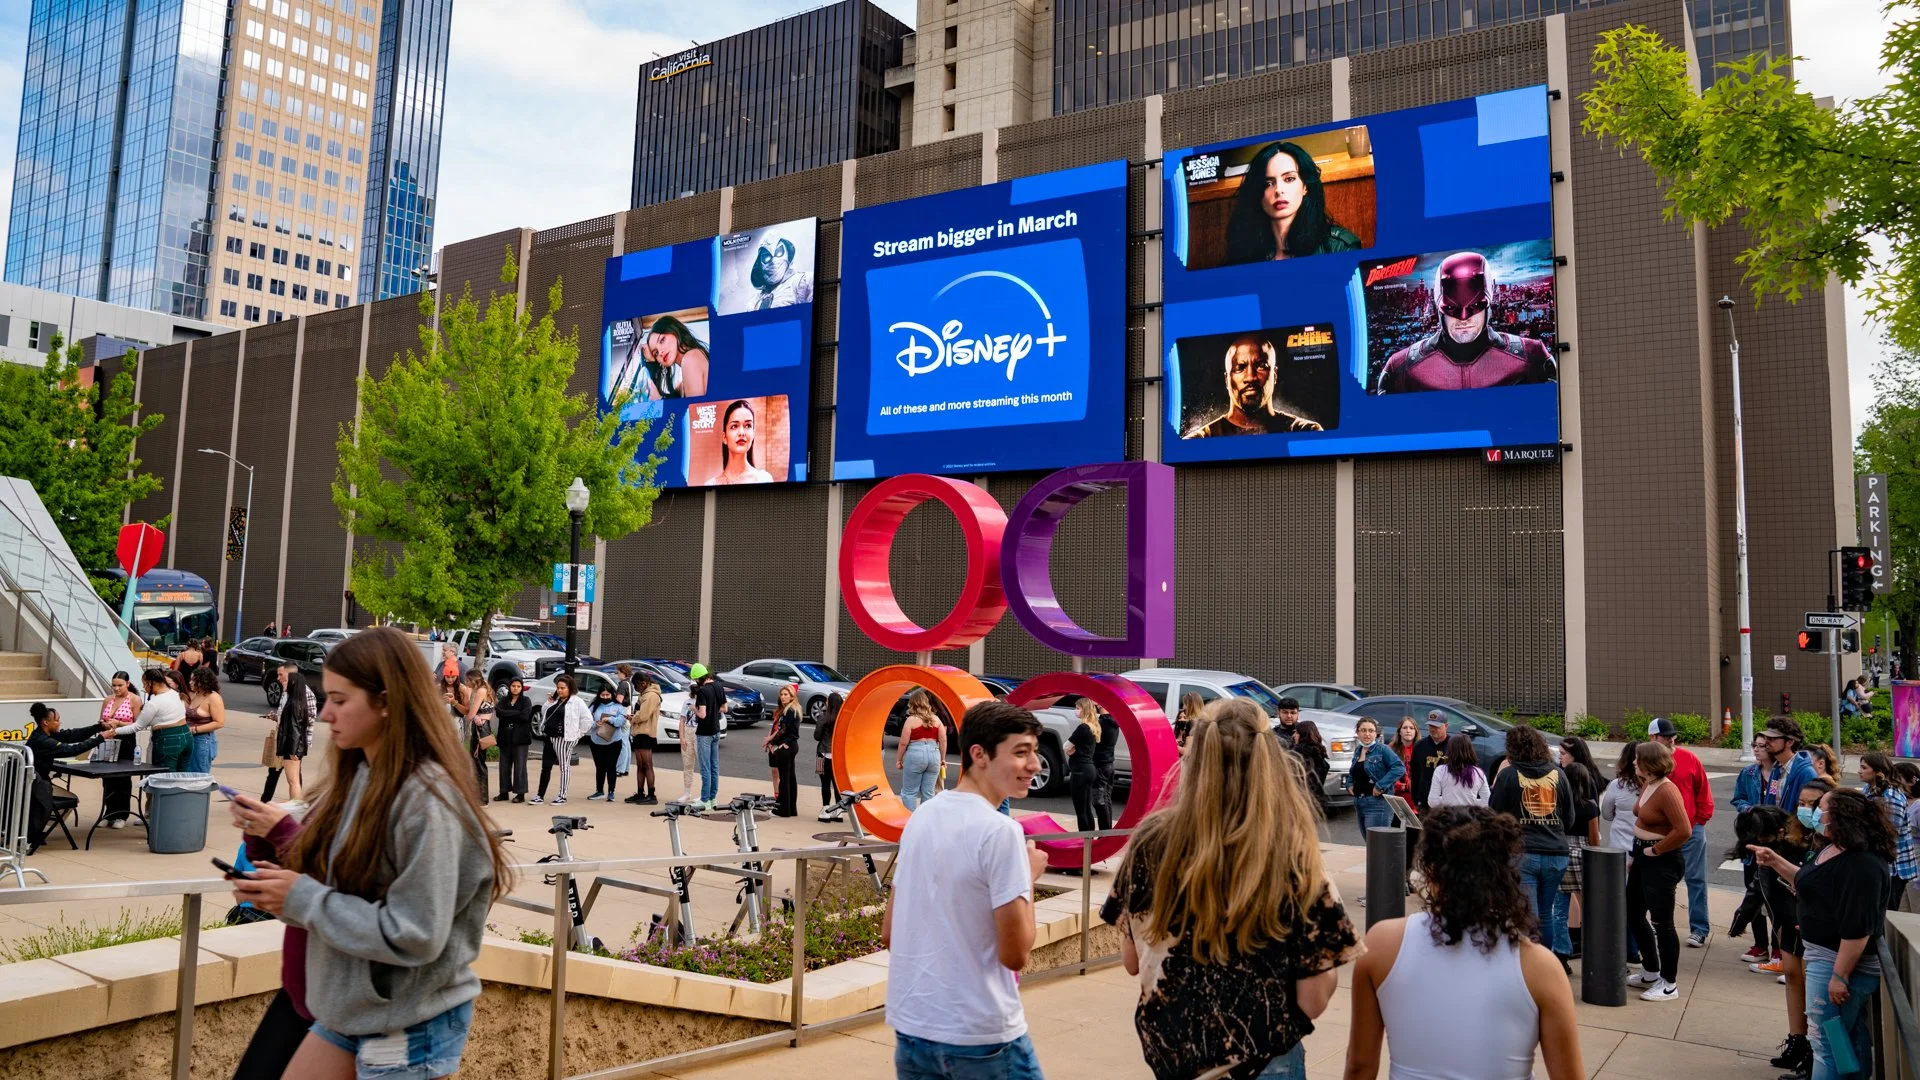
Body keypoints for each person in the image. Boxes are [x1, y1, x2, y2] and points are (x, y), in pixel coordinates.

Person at [226, 626, 507, 1080]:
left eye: (340, 700)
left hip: (409, 1019)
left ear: (386, 702)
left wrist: (301, 898)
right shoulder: (360, 776)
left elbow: (416, 932)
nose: (326, 713)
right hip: (352, 1005)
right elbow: (340, 884)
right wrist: (275, 886)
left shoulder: (427, 802)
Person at [1101, 698, 1358, 1078]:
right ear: (1270, 762)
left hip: (1176, 1056)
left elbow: (1132, 960)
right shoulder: (1291, 854)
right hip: (1265, 1061)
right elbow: (1315, 996)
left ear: (1196, 758)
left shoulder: (1150, 843)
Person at [1345, 806, 1585, 1080]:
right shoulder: (1541, 967)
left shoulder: (1382, 944)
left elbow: (1360, 1065)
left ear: (1430, 871)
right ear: (1503, 874)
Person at [882, 700, 1049, 1080]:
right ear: (979, 754)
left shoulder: (922, 816)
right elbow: (1016, 954)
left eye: (1034, 752)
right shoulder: (1001, 831)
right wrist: (1027, 877)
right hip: (982, 1037)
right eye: (1020, 752)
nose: (1035, 765)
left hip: (914, 1030)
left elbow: (891, 932)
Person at [1749, 788, 1895, 1080]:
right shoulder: (1832, 848)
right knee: (1846, 1036)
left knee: (1825, 1041)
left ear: (1840, 817)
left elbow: (1857, 929)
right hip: (1823, 957)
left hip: (1835, 964)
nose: (1815, 813)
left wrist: (1840, 976)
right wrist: (1775, 861)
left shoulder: (1862, 864)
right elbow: (1809, 881)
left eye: (1821, 808)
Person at [1373, 251, 1557, 394]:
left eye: (1475, 306)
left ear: (1488, 304)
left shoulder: (1532, 356)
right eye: (1451, 309)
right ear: (1439, 308)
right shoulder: (1401, 368)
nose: (1463, 317)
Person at [1729, 804, 1811, 1073]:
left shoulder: (1798, 850)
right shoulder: (1769, 852)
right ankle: (1798, 1041)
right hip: (1787, 924)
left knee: (1808, 986)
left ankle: (1811, 1050)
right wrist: (1742, 916)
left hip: (1803, 926)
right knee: (1794, 979)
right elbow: (1757, 886)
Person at [1487, 723, 1572, 951]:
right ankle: (1546, 961)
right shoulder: (1559, 774)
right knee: (1546, 913)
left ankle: (1530, 965)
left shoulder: (1508, 775)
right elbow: (1569, 817)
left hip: (1523, 852)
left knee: (1528, 916)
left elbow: (1494, 815)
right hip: (1556, 853)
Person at [1222, 140, 1363, 264]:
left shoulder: (1339, 248)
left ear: (1305, 186)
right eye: (1268, 184)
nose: (1279, 190)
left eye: (1289, 179)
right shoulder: (1244, 252)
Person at [1625, 741, 1690, 1002]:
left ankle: (1669, 983)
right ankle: (1650, 970)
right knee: (1633, 910)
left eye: (1637, 758)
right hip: (1643, 856)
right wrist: (1638, 854)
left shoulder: (1667, 790)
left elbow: (1683, 830)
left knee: (1662, 922)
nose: (1633, 762)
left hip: (1661, 860)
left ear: (1649, 764)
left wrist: (1657, 849)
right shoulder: (1648, 783)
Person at [1645, 716, 1715, 948]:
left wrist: (1699, 821)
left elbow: (1703, 791)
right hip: (1660, 832)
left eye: (1672, 735)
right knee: (1659, 882)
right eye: (1665, 736)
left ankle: (1699, 929)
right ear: (1653, 738)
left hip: (1690, 829)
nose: (1671, 739)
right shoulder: (1647, 762)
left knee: (1696, 879)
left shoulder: (1689, 758)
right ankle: (1660, 925)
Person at [1188, 337, 1324, 437]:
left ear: (1274, 375)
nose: (1250, 377)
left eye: (1261, 366)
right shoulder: (1200, 440)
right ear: (1226, 380)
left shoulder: (1306, 432)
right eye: (1239, 368)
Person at [24, 703, 110, 853]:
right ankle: (34, 832)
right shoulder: (43, 741)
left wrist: (98, 727)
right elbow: (72, 749)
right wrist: (100, 738)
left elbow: (72, 735)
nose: (60, 723)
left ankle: (36, 829)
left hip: (34, 782)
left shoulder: (44, 734)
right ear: (46, 722)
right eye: (57, 720)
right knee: (71, 799)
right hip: (34, 786)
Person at [1732, 734, 1777, 962]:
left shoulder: (1781, 773)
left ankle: (1778, 947)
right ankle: (1760, 945)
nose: (1757, 750)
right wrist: (1749, 809)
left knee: (1776, 897)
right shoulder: (1748, 773)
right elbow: (1737, 799)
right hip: (1751, 839)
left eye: (1762, 746)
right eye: (1755, 746)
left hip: (1775, 840)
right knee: (1753, 892)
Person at [1553, 762, 1602, 962]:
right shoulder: (1590, 806)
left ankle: (1561, 953)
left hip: (1561, 853)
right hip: (1582, 856)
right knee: (1589, 908)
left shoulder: (1557, 803)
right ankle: (1593, 950)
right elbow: (1594, 839)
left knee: (1559, 910)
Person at [1859, 751, 1916, 909]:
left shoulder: (1891, 796)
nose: (1859, 771)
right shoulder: (1869, 789)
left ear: (1878, 771)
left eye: (1864, 767)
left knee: (1885, 913)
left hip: (1894, 868)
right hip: (1878, 864)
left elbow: (1889, 833)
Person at [534, 674, 591, 806]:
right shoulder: (555, 700)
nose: (559, 690)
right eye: (558, 688)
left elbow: (587, 719)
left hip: (564, 738)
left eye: (563, 688)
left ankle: (562, 795)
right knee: (546, 766)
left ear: (570, 688)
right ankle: (540, 795)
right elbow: (544, 712)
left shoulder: (577, 702)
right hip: (550, 736)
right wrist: (549, 702)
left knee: (564, 766)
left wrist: (578, 734)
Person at [262, 663, 315, 803]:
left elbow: (306, 722)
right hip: (285, 739)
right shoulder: (287, 691)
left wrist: (297, 748)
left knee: (293, 779)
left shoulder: (304, 694)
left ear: (291, 675)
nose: (278, 678)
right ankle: (266, 802)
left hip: (293, 743)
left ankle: (296, 804)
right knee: (276, 773)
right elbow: (288, 718)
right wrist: (277, 717)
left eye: (281, 674)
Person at [96, 672, 142, 827]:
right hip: (108, 739)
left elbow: (138, 724)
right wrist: (104, 724)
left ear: (127, 684)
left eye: (120, 685)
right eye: (114, 685)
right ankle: (109, 811)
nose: (116, 688)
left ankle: (121, 814)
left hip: (126, 740)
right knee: (107, 778)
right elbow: (100, 719)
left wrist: (119, 723)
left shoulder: (134, 700)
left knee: (123, 778)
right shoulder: (108, 699)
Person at [1348, 717, 1405, 842]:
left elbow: (1399, 768)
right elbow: (1354, 770)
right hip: (1359, 802)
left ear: (1376, 733)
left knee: (1378, 844)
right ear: (1357, 732)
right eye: (1363, 730)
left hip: (1378, 804)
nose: (1367, 734)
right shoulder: (1358, 750)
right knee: (1370, 844)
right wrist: (1349, 783)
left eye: (1371, 731)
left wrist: (1380, 786)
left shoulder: (1382, 749)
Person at [132, 667, 194, 772]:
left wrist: (116, 728)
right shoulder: (171, 696)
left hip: (169, 739)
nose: (165, 686)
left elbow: (139, 725)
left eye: (168, 683)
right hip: (181, 737)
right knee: (179, 775)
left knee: (165, 776)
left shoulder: (170, 698)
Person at [896, 690, 946, 811]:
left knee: (909, 792)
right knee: (928, 792)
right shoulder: (936, 719)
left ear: (912, 704)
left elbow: (903, 743)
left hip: (915, 753)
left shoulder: (911, 720)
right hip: (934, 754)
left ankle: (911, 818)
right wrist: (943, 759)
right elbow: (943, 740)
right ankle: (924, 820)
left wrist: (899, 759)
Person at [706, 399, 776, 485]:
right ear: (724, 437)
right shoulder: (711, 484)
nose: (741, 433)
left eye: (748, 426)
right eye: (734, 426)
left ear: (753, 434)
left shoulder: (764, 479)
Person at [1762, 715, 1821, 813]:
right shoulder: (1776, 769)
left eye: (1772, 738)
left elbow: (1808, 810)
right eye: (1766, 737)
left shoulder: (1806, 773)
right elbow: (1771, 797)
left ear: (1789, 742)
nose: (1766, 742)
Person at [643, 314, 710, 399]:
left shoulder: (691, 358)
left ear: (674, 331)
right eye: (655, 353)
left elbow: (694, 407)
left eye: (662, 340)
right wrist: (651, 361)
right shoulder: (682, 386)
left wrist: (659, 400)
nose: (660, 352)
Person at [690, 664, 726, 808]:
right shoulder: (718, 686)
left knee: (705, 767)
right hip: (716, 730)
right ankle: (712, 798)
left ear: (699, 678)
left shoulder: (702, 691)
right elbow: (724, 708)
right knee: (714, 766)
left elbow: (702, 714)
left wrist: (693, 708)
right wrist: (713, 709)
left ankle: (704, 800)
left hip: (704, 732)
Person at [494, 677, 534, 803]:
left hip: (520, 738)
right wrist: (516, 713)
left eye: (518, 686)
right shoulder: (504, 700)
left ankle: (520, 794)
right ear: (509, 687)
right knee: (504, 766)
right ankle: (504, 792)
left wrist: (508, 714)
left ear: (521, 688)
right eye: (513, 686)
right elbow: (499, 712)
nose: (515, 688)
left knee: (520, 766)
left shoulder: (526, 701)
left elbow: (525, 716)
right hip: (505, 737)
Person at [1065, 697, 1101, 838]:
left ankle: (1084, 840)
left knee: (1080, 810)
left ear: (1084, 710)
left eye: (1078, 708)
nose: (1075, 711)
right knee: (1087, 808)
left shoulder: (1083, 727)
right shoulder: (1094, 727)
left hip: (1079, 770)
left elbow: (1066, 746)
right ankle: (1089, 839)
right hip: (1090, 769)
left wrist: (1071, 751)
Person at [458, 670, 495, 805]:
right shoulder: (487, 690)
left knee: (478, 762)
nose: (466, 682)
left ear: (473, 680)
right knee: (478, 761)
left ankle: (482, 798)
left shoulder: (480, 691)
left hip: (480, 729)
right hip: (485, 727)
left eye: (468, 680)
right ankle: (478, 795)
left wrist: (474, 716)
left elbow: (470, 714)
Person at [624, 674, 661, 805]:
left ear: (644, 683)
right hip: (639, 732)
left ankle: (652, 795)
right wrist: (634, 716)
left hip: (646, 733)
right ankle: (640, 793)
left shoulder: (651, 695)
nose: (636, 688)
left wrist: (633, 718)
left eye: (636, 685)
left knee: (647, 765)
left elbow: (644, 715)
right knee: (640, 765)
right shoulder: (644, 694)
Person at [764, 684, 801, 817]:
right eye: (782, 694)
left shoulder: (789, 710)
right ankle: (791, 809)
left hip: (786, 746)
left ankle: (782, 810)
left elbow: (783, 730)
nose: (783, 697)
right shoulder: (793, 709)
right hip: (791, 745)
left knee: (784, 779)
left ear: (792, 696)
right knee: (790, 778)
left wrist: (773, 742)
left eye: (786, 694)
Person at [587, 683, 627, 802]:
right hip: (596, 741)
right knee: (599, 767)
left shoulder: (619, 707)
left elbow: (622, 721)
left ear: (612, 694)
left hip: (614, 742)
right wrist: (595, 724)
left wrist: (610, 719)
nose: (605, 697)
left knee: (611, 766)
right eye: (602, 695)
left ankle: (611, 791)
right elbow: (586, 721)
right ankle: (599, 791)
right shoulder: (594, 706)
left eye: (607, 695)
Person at [751, 234, 813, 309]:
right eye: (767, 257)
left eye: (779, 253)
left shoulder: (805, 281)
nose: (773, 261)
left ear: (788, 255)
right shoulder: (755, 300)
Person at [1427, 733, 1489, 808]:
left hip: (1447, 813)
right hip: (1469, 814)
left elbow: (1433, 802)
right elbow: (1487, 801)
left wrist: (1447, 800)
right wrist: (1470, 802)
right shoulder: (1478, 772)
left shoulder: (1440, 770)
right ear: (1470, 750)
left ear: (1449, 750)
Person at [183, 666, 226, 774]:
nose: (190, 682)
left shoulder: (213, 697)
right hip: (190, 739)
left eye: (193, 680)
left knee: (198, 774)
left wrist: (194, 729)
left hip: (202, 740)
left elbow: (219, 722)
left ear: (202, 681)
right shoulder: (197, 694)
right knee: (188, 772)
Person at [1410, 712, 1450, 812]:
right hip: (1425, 800)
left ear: (1446, 726)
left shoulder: (1454, 745)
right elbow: (1415, 774)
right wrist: (1415, 798)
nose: (1432, 729)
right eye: (1430, 726)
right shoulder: (1420, 746)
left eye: (1436, 726)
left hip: (1448, 801)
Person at [1091, 699, 1120, 832]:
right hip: (1109, 764)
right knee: (1106, 798)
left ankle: (1104, 832)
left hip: (1100, 764)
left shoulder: (1101, 723)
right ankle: (1107, 831)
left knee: (1098, 800)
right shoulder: (1114, 722)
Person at [815, 691, 843, 821]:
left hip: (822, 753)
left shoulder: (823, 717)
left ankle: (825, 810)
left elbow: (817, 736)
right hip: (838, 755)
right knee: (837, 783)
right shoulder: (843, 718)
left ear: (829, 703)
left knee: (825, 783)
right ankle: (838, 811)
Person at [1292, 719, 1332, 803]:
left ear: (1303, 735)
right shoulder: (1319, 753)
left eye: (1296, 733)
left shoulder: (1298, 754)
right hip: (1317, 800)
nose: (1294, 735)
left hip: (1302, 800)